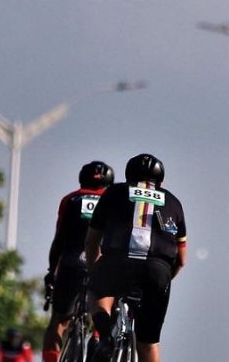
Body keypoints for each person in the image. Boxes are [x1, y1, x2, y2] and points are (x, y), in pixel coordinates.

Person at [85, 153, 187, 362]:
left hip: (115, 262)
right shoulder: (174, 202)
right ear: (161, 180)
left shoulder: (114, 192)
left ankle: (105, 334)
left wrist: (93, 270)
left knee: (96, 293)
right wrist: (165, 279)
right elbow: (182, 258)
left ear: (127, 175)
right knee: (148, 343)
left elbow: (92, 240)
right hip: (157, 271)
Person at [42, 160, 114, 362]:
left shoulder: (70, 199)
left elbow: (60, 239)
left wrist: (51, 270)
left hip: (71, 263)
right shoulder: (113, 201)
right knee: (103, 313)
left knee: (58, 321)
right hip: (101, 264)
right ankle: (99, 341)